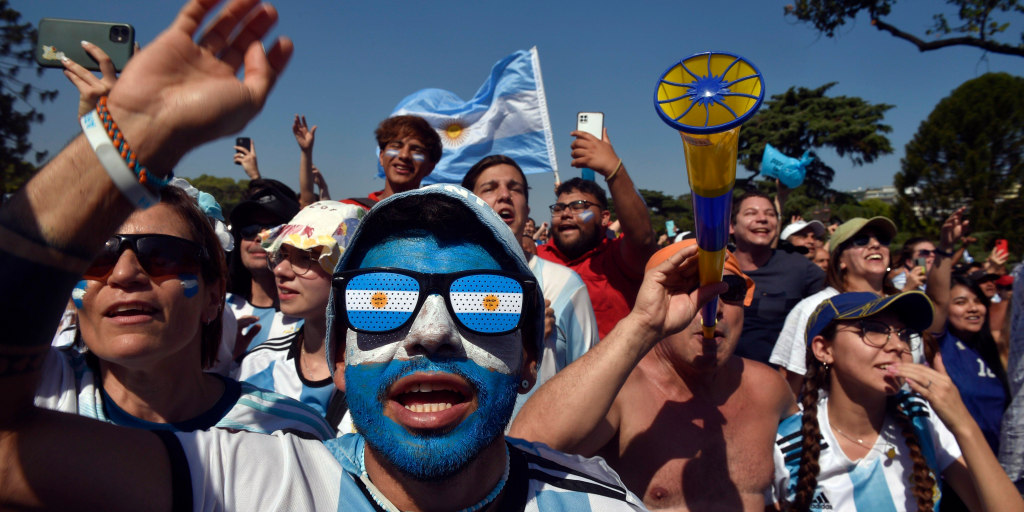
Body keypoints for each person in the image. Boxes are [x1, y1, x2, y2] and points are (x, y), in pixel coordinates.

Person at [511, 240, 797, 511]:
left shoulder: (769, 388)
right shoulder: (623, 390)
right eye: (690, 287)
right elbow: (524, 447)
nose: (713, 307)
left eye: (729, 290)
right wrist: (643, 324)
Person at [35, 185, 333, 439]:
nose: (123, 274)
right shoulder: (32, 392)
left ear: (214, 295)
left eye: (162, 256)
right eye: (97, 256)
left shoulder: (290, 436)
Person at [770, 291, 1023, 512]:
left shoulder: (922, 418)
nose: (897, 346)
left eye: (904, 334)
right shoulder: (785, 446)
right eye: (874, 330)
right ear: (824, 349)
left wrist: (962, 423)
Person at [461, 154, 599, 413]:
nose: (505, 195)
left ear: (527, 208)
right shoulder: (435, 283)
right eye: (490, 188)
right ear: (468, 205)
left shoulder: (564, 285)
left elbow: (592, 389)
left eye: (516, 189)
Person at [236, 200, 365, 432]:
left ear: (347, 271)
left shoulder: (381, 373)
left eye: (305, 257)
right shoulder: (259, 363)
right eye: (282, 255)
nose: (280, 270)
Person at [537, 127, 656, 338]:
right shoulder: (534, 260)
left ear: (604, 217)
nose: (566, 213)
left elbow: (643, 238)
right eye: (559, 208)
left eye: (578, 206)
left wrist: (613, 169)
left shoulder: (619, 258)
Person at [770, 216, 903, 394]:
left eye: (882, 240)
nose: (875, 245)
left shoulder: (904, 304)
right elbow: (790, 385)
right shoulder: (813, 307)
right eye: (861, 240)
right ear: (840, 260)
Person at [925, 209, 1009, 456]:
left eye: (977, 301)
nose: (973, 308)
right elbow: (936, 300)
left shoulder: (993, 348)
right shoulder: (939, 344)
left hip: (1001, 465)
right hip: (957, 469)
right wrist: (945, 248)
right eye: (961, 302)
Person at [729, 191, 824, 364]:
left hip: (778, 382)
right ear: (731, 225)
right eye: (751, 213)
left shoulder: (800, 268)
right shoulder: (714, 268)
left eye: (770, 214)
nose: (762, 219)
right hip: (718, 380)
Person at [225, 180, 303, 355]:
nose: (259, 237)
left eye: (272, 229)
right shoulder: (219, 310)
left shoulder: (313, 319)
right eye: (249, 230)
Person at [342, 115, 442, 209]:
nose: (404, 155)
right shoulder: (347, 210)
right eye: (396, 146)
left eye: (416, 150)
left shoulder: (439, 220)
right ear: (381, 157)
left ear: (430, 167)